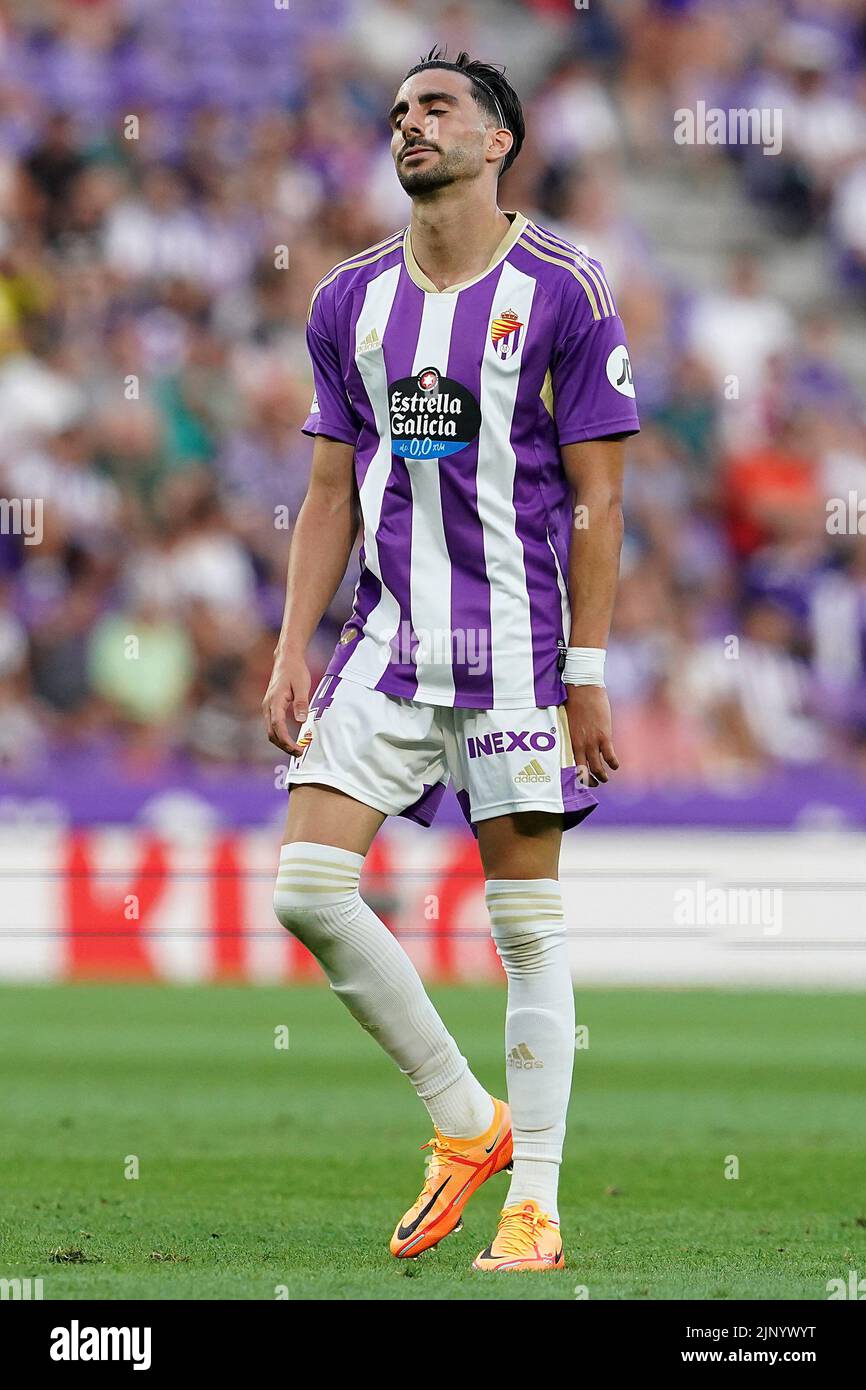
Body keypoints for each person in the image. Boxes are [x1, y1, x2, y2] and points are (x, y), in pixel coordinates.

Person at [263, 46, 639, 1273]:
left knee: (525, 927)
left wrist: (585, 669)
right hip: (386, 640)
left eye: (436, 107)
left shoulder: (566, 289)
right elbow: (326, 492)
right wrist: (288, 651)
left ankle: (533, 1198)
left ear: (496, 142)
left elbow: (598, 499)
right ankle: (462, 1117)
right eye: (397, 111)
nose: (408, 124)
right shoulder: (349, 298)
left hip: (520, 658)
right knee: (305, 889)